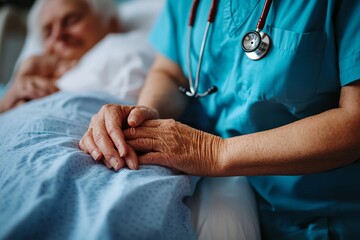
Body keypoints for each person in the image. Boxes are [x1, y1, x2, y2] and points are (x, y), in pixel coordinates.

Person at [79, 0, 360, 239]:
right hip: (227, 196)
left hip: (324, 214)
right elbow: (171, 72)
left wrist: (212, 152)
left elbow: (354, 122)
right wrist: (144, 113)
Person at [0, 0, 153, 114]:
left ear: (111, 24)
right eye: (48, 32)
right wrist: (11, 94)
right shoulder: (30, 76)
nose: (58, 35)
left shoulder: (127, 50)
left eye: (71, 20)